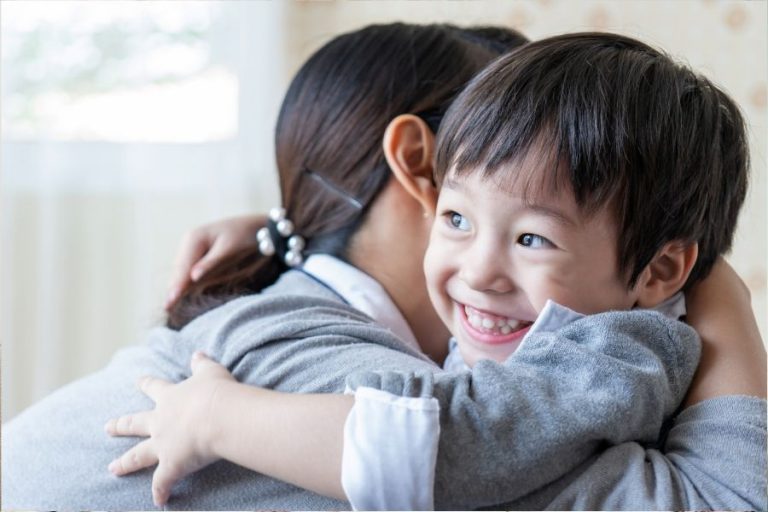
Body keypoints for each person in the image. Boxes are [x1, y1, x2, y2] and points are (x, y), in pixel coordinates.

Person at [106, 33, 767, 510]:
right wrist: (280, 229)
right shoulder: (565, 318)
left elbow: (432, 446)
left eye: (532, 238)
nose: (479, 271)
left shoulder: (613, 357)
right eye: (453, 220)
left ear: (661, 270)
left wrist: (220, 419)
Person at [1, 23, 531, 510]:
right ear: (418, 162)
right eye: (527, 155)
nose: (559, 183)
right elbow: (537, 465)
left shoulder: (290, 312)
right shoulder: (334, 369)